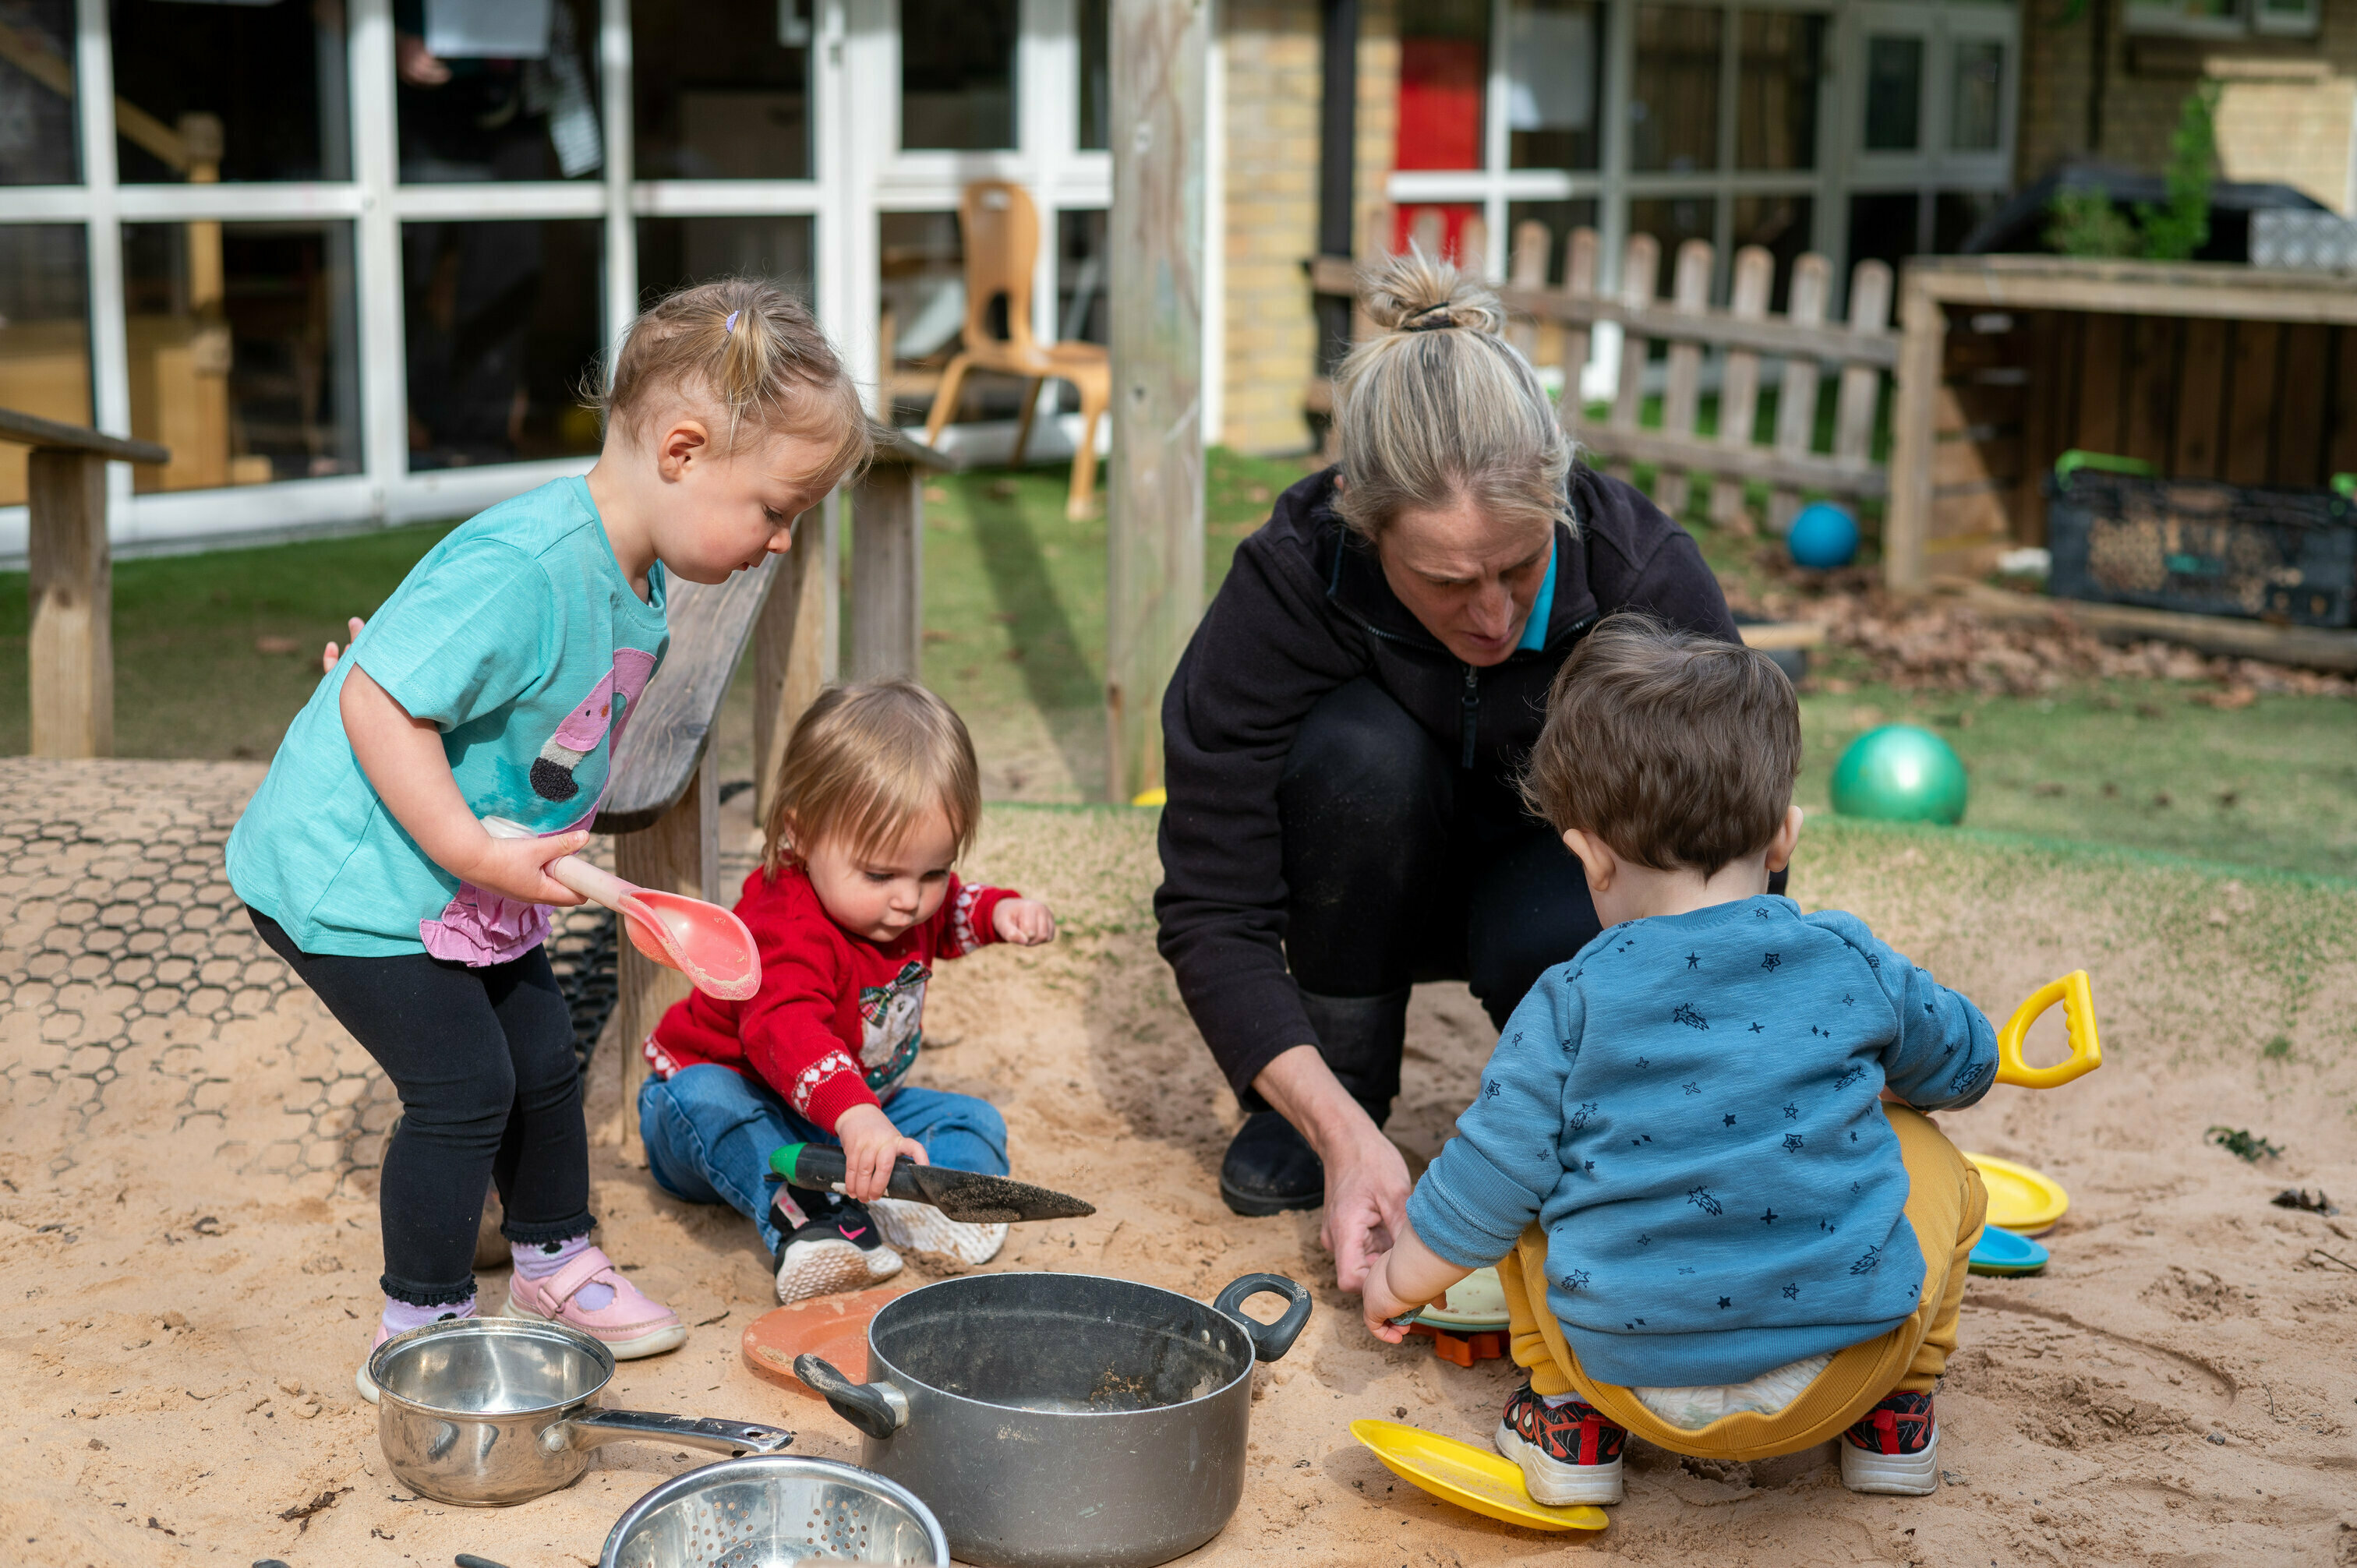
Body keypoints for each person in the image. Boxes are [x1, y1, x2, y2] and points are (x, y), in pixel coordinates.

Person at [227, 278, 875, 1400]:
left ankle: (554, 1263)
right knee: (465, 1086)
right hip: (356, 878)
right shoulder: (532, 562)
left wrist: (508, 856)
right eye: (776, 510)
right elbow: (379, 700)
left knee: (540, 1062)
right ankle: (420, 1322)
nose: (778, 544)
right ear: (681, 451)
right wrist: (479, 853)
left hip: (461, 882)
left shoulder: (637, 576)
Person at [1154, 249, 1754, 1286]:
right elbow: (1214, 909)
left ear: (1559, 492)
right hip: (1360, 867)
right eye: (1446, 580)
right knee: (1358, 756)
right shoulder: (1292, 578)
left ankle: (1593, 1098)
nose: (1492, 614)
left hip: (1555, 881)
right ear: (1358, 513)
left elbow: (1731, 873)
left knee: (1579, 920)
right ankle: (1339, 1088)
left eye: (1521, 566)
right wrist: (1340, 1136)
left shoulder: (1643, 576)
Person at [1361, 614, 1995, 1503]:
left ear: (1586, 854)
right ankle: (1896, 1421)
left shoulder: (1569, 1001)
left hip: (1630, 1379)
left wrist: (1397, 1278)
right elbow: (1966, 1064)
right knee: (1935, 1158)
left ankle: (1569, 1426)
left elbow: (1481, 1181)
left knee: (1528, 1190)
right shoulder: (1850, 960)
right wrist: (1894, 1076)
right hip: (1844, 1369)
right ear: (1784, 836)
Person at [636, 680, 1059, 1304]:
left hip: (847, 1120)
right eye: (881, 873)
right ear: (800, 836)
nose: (910, 899)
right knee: (708, 1098)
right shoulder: (785, 922)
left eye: (933, 871)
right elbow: (786, 1026)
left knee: (975, 1120)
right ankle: (809, 1220)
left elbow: (953, 912)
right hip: (724, 1108)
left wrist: (1001, 913)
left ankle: (919, 1196)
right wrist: (859, 1117)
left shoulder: (904, 906)